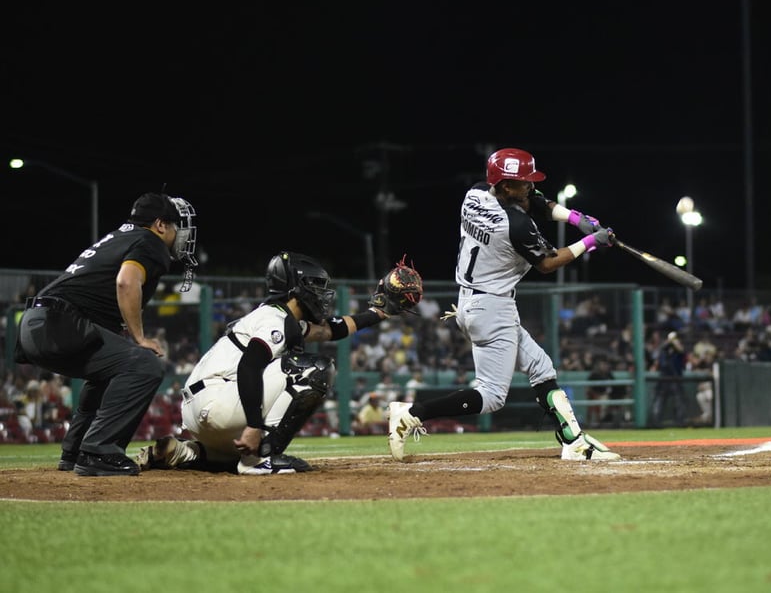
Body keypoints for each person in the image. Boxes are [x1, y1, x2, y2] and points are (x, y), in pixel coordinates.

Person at [387, 147, 620, 461]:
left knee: (541, 367)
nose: (530, 187)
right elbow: (548, 263)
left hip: (473, 303)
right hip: (492, 309)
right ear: (507, 186)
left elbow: (535, 200)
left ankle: (573, 441)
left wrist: (575, 218)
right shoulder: (515, 225)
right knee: (492, 396)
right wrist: (590, 242)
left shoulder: (476, 193)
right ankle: (413, 413)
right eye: (523, 182)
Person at [134, 251, 404, 474]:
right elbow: (249, 366)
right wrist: (253, 426)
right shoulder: (274, 321)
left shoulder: (277, 317)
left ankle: (185, 451)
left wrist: (378, 312)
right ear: (296, 289)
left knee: (228, 463)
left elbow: (332, 330)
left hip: (201, 411)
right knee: (315, 369)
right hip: (217, 403)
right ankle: (260, 459)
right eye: (315, 285)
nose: (322, 293)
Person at [15, 192, 198, 476]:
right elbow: (126, 282)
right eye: (176, 226)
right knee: (145, 363)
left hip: (36, 324)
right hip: (59, 324)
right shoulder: (150, 241)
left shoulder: (119, 237)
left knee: (111, 370)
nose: (179, 234)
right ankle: (99, 451)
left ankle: (75, 451)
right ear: (160, 225)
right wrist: (140, 338)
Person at [649, 331, 688, 428]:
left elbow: (682, 352)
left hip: (676, 378)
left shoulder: (678, 350)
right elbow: (656, 356)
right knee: (659, 401)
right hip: (664, 378)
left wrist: (675, 343)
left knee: (679, 402)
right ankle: (656, 423)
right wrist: (667, 343)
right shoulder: (664, 349)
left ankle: (680, 423)